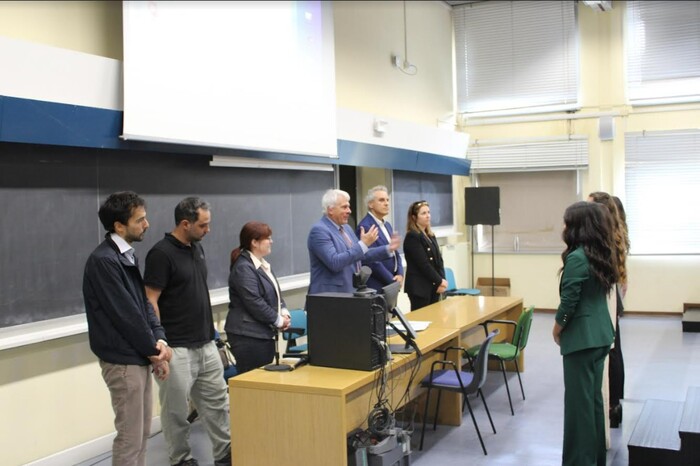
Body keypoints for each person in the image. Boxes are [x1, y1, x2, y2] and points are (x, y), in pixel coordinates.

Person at [83, 191, 172, 466]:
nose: (147, 225)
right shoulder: (105, 261)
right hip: (123, 360)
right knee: (130, 438)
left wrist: (160, 339)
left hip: (138, 355)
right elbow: (126, 315)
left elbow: (143, 305)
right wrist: (153, 351)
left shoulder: (126, 255)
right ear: (119, 226)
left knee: (142, 434)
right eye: (140, 220)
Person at [143, 197, 231, 466]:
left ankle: (225, 455)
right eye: (203, 225)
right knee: (176, 412)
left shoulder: (195, 248)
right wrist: (159, 343)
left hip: (205, 343)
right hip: (176, 347)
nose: (208, 230)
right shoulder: (161, 254)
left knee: (218, 406)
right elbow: (150, 299)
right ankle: (181, 459)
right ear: (185, 223)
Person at [552, 201, 618, 466]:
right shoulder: (600, 254)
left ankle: (579, 461)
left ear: (579, 227)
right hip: (600, 336)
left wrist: (558, 328)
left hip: (581, 339)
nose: (563, 227)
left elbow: (569, 302)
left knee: (579, 408)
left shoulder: (577, 258)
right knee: (593, 403)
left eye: (567, 222)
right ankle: (594, 458)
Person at [224, 221, 291, 374]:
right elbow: (254, 301)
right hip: (248, 336)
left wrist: (284, 312)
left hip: (261, 334)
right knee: (254, 386)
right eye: (268, 238)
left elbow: (275, 293)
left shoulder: (262, 264)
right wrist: (278, 320)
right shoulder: (244, 267)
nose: (271, 241)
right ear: (254, 242)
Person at [307, 189, 400, 294]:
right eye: (344, 207)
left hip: (350, 292)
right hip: (328, 296)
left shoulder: (346, 228)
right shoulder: (319, 230)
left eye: (349, 206)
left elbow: (360, 254)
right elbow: (334, 262)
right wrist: (363, 244)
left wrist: (388, 248)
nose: (349, 211)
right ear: (330, 210)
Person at [589, 191, 629, 428]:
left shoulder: (606, 239)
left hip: (610, 300)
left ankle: (612, 404)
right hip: (615, 298)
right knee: (615, 348)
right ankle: (615, 402)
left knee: (612, 350)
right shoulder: (615, 233)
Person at [356, 185, 404, 292]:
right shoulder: (366, 226)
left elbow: (395, 253)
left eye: (387, 200)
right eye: (381, 200)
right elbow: (371, 260)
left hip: (392, 282)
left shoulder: (387, 225)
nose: (386, 203)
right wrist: (392, 280)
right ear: (370, 204)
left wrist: (400, 274)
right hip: (378, 284)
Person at [403, 200, 448, 311]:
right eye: (423, 213)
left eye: (428, 212)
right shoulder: (412, 237)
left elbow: (438, 261)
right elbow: (423, 264)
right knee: (422, 321)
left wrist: (442, 280)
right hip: (420, 288)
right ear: (414, 217)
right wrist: (439, 281)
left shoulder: (430, 235)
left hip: (433, 285)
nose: (428, 216)